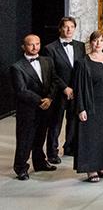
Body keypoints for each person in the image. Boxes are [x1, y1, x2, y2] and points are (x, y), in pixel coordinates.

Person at [72, 31, 103, 182]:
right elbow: (78, 87)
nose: (98, 44)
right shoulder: (82, 62)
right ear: (90, 43)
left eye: (101, 41)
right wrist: (81, 108)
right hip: (91, 105)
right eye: (95, 41)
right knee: (91, 137)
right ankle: (91, 168)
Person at [11, 34, 58, 180]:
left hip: (46, 107)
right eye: (31, 44)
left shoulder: (47, 61)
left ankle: (39, 162)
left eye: (37, 44)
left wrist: (49, 98)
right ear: (23, 47)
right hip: (28, 110)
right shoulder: (17, 67)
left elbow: (54, 81)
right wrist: (40, 101)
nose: (34, 47)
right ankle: (21, 168)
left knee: (40, 137)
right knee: (25, 139)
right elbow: (21, 90)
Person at [42, 16, 85, 163]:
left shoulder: (80, 46)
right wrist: (64, 88)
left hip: (76, 90)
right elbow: (51, 73)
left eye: (71, 27)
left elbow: (82, 69)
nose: (69, 30)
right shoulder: (50, 48)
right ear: (60, 28)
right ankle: (52, 152)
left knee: (73, 120)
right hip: (59, 91)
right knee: (55, 123)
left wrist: (76, 88)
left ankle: (70, 147)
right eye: (66, 27)